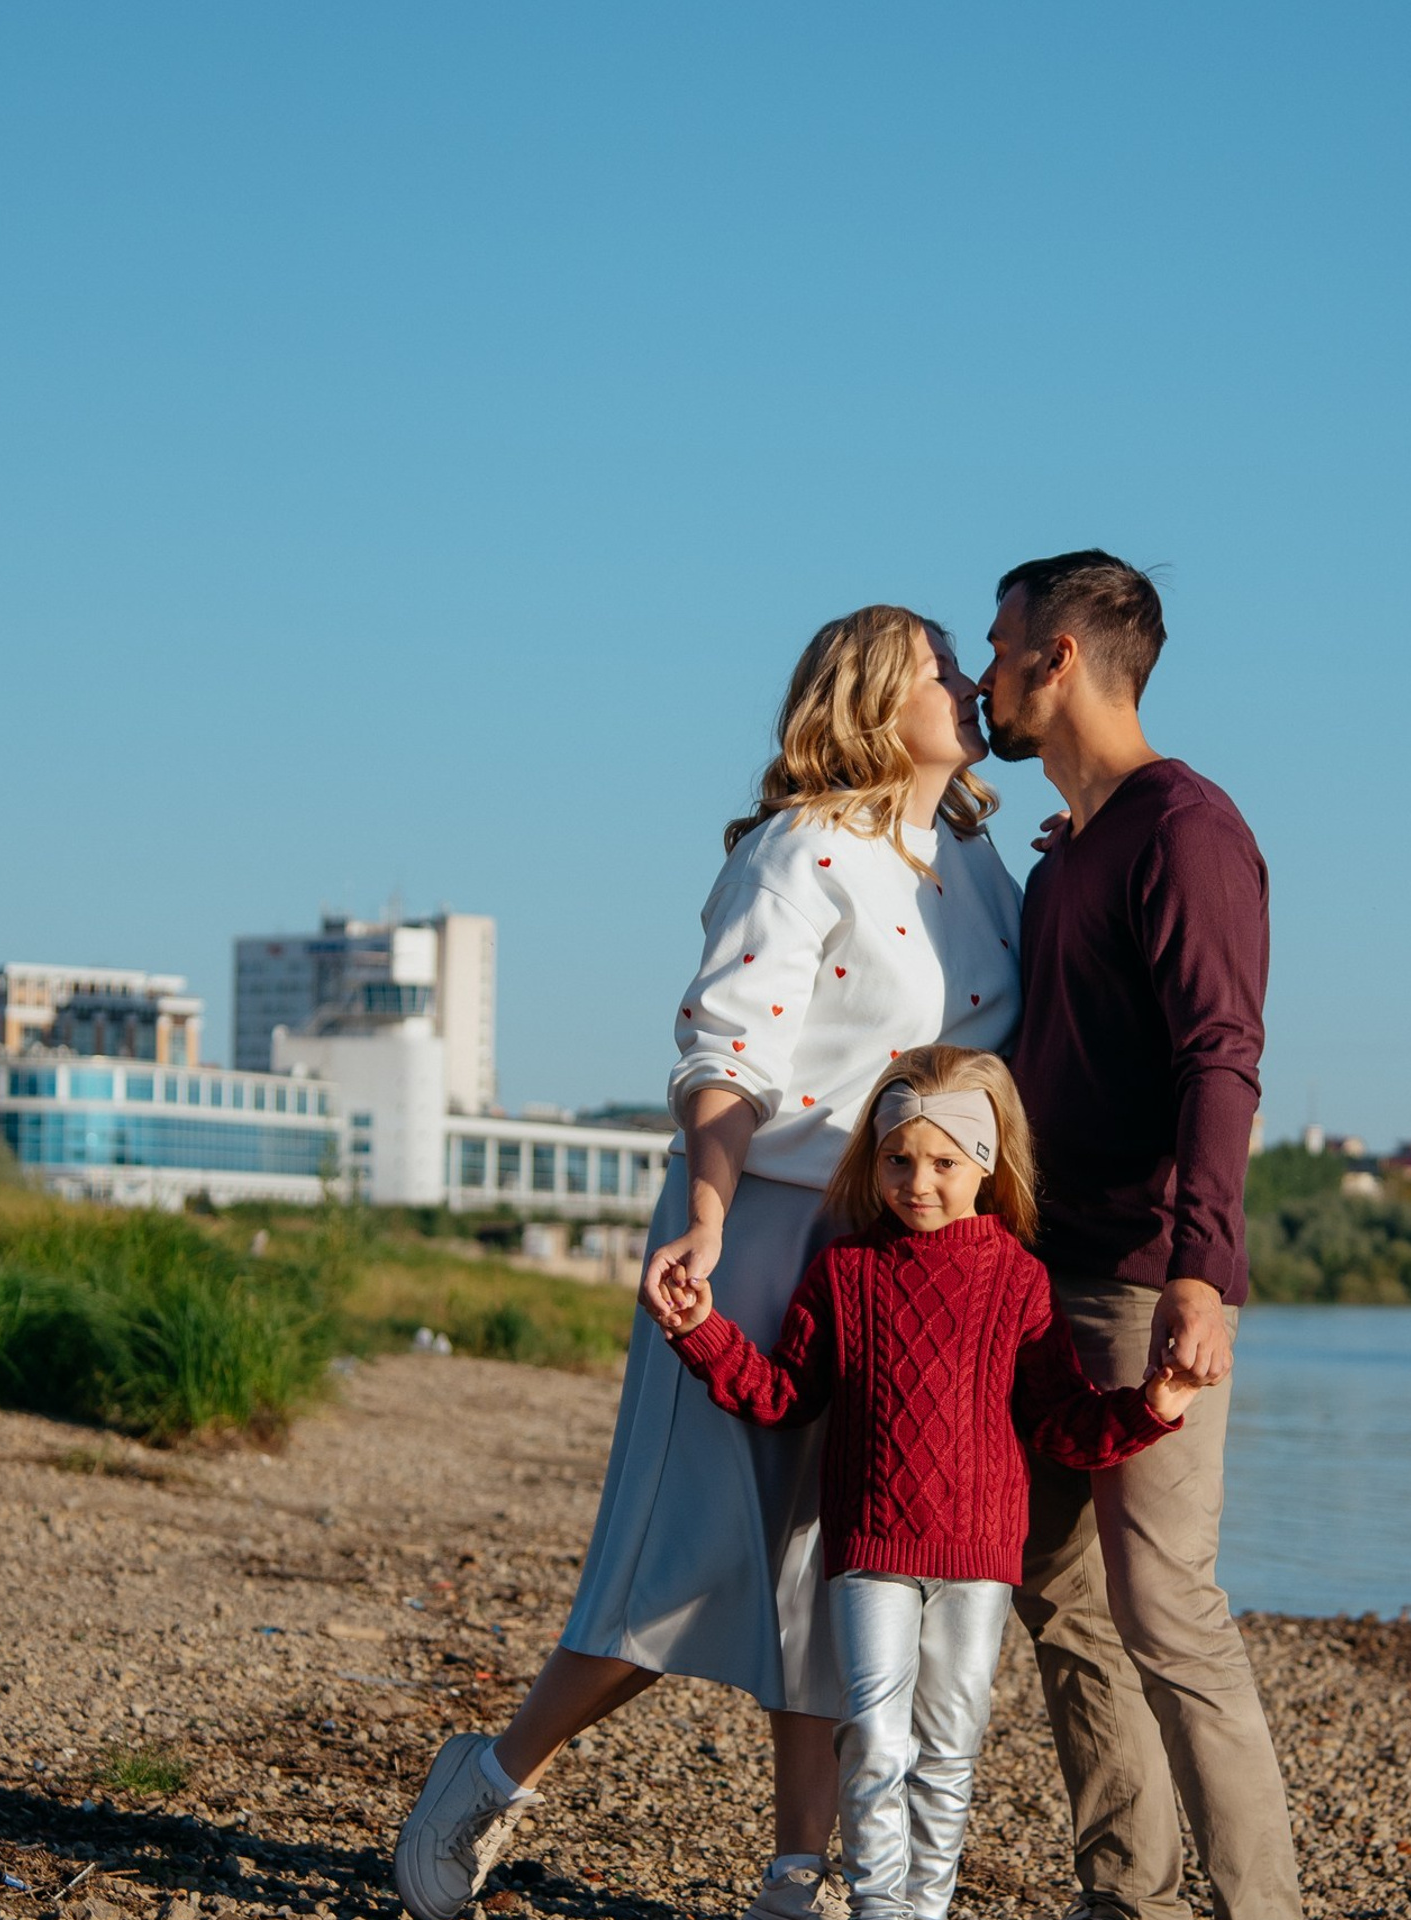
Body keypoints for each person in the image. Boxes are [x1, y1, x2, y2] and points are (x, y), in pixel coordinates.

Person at [394, 607, 1022, 1920]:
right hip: (754, 1231)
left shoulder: (974, 859)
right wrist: (710, 1215)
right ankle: (489, 1779)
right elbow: (727, 1052)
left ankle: (802, 1871)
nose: (973, 683)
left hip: (889, 1247)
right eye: (942, 670)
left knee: (831, 1563)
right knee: (679, 1563)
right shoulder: (804, 851)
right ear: (865, 700)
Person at [648, 1046, 1202, 1920]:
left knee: (948, 1748)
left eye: (944, 1163)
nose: (918, 1182)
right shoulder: (845, 1272)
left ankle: (925, 1909)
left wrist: (1154, 1405)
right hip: (869, 1544)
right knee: (872, 1737)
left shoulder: (1017, 1280)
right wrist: (703, 1333)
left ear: (986, 1164)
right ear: (874, 1159)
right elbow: (787, 1396)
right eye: (898, 1159)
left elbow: (1059, 1421)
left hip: (981, 1555)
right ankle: (878, 1908)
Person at [978, 551, 1304, 1920]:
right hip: (1044, 1275)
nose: (983, 674)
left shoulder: (1186, 829)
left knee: (1169, 1611)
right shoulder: (1078, 851)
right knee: (1057, 1599)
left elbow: (1222, 1055)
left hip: (1136, 1280)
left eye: (998, 648)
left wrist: (1202, 1272)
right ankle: (1130, 1899)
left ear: (1056, 658)